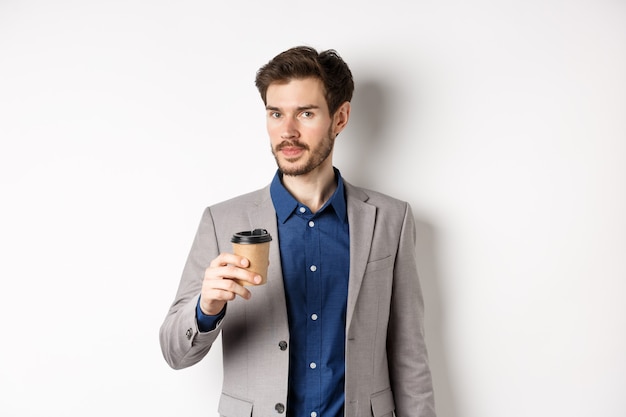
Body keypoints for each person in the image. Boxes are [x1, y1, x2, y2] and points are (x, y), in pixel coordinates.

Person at [159, 45, 436, 417]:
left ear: (340, 118)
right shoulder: (221, 221)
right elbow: (175, 353)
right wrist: (206, 308)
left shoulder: (391, 219)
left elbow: (409, 354)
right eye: (276, 114)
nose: (287, 132)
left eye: (305, 113)